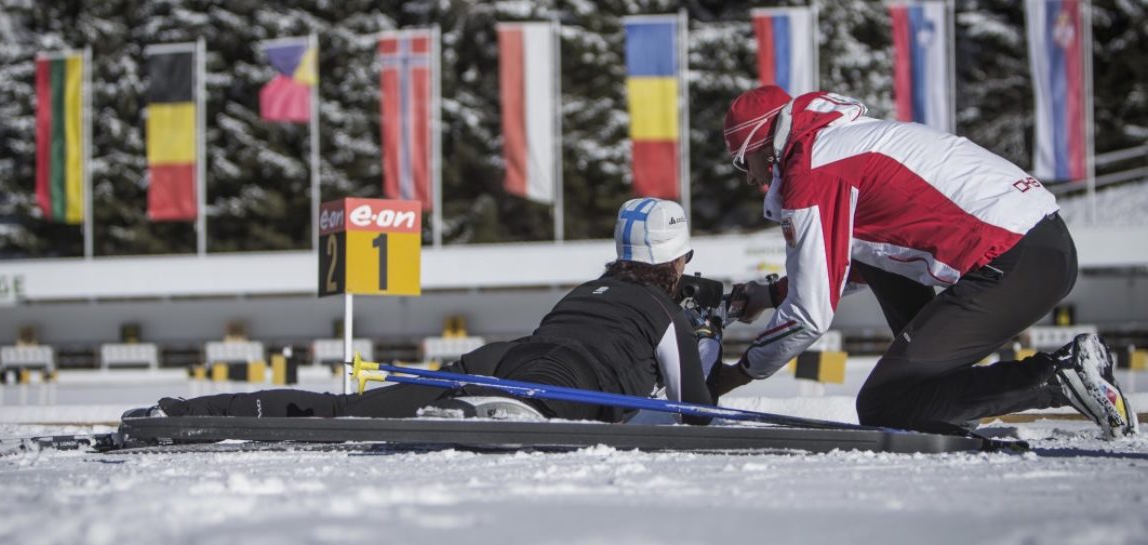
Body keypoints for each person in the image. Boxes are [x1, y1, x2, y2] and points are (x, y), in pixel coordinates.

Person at [709, 85, 1138, 439]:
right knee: (878, 278)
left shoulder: (813, 170)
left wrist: (738, 375)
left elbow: (809, 314)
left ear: (765, 145)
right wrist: (768, 294)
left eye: (742, 161)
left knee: (883, 404)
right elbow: (847, 265)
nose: (749, 178)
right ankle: (951, 404)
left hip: (1013, 261)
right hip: (1043, 246)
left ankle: (1057, 376)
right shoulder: (836, 141)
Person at [130, 198, 714, 425]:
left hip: (504, 357)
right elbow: (696, 413)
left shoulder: (586, 291)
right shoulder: (665, 313)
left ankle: (184, 410)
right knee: (536, 404)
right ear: (678, 261)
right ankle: (493, 411)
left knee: (347, 410)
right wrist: (710, 345)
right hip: (570, 379)